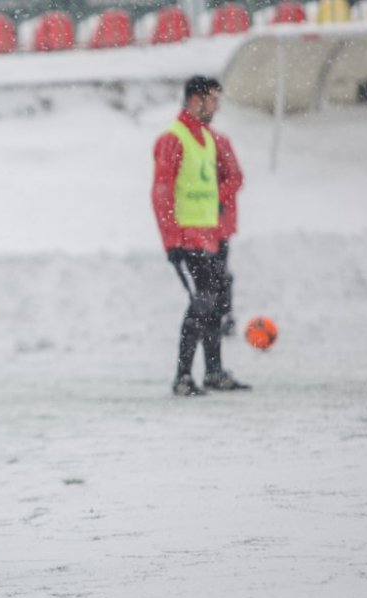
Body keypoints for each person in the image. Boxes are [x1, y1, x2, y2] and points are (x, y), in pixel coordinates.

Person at [151, 75, 249, 396]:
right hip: (186, 241)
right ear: (196, 100)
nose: (217, 106)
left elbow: (228, 182)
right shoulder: (174, 139)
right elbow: (162, 192)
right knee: (200, 302)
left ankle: (214, 372)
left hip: (208, 239)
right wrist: (172, 240)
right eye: (213, 100)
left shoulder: (208, 139)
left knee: (215, 302)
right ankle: (182, 377)